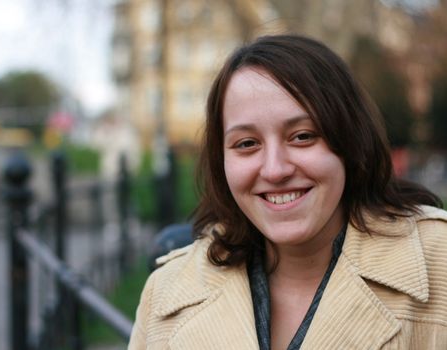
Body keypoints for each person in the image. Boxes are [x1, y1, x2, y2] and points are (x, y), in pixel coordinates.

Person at [128, 34, 447, 349]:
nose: (275, 169)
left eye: (303, 136)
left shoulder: (439, 262)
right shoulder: (167, 292)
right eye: (247, 144)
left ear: (351, 140)